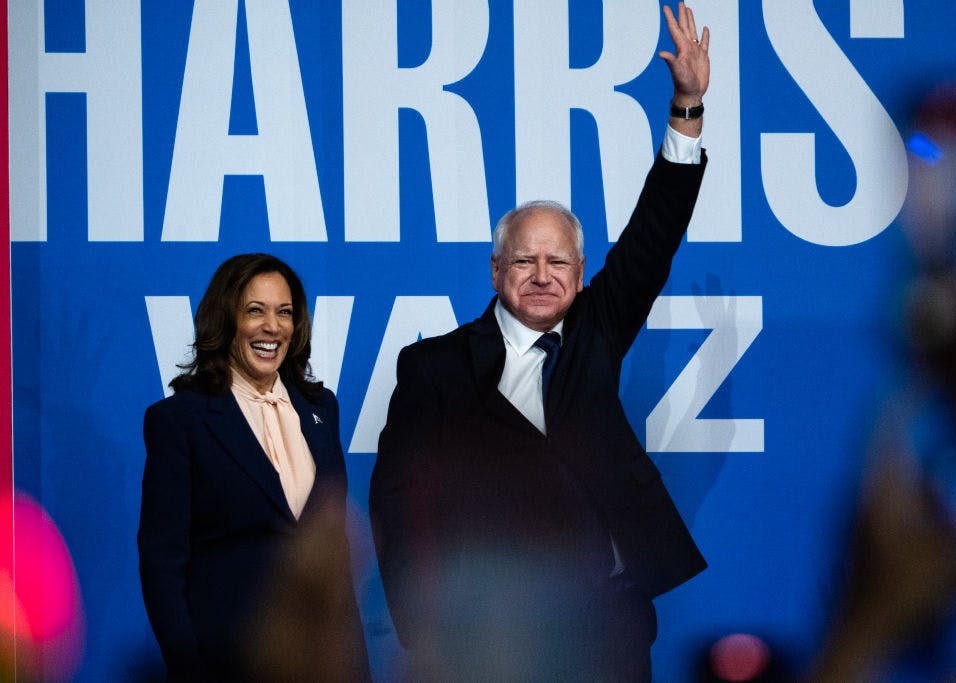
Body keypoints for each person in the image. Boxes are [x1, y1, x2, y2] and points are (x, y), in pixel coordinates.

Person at [370, 3, 710, 679]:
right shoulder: (434, 366)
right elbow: (396, 500)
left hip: (607, 624)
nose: (542, 275)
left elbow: (654, 232)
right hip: (489, 636)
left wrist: (687, 107)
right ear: (495, 271)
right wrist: (420, 627)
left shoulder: (597, 332)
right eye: (524, 260)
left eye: (558, 262)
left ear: (582, 276)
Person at [138, 254, 369, 681]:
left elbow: (330, 553)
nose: (272, 327)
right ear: (225, 320)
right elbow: (162, 566)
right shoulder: (181, 420)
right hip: (228, 661)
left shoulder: (322, 409)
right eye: (254, 311)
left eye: (284, 313)